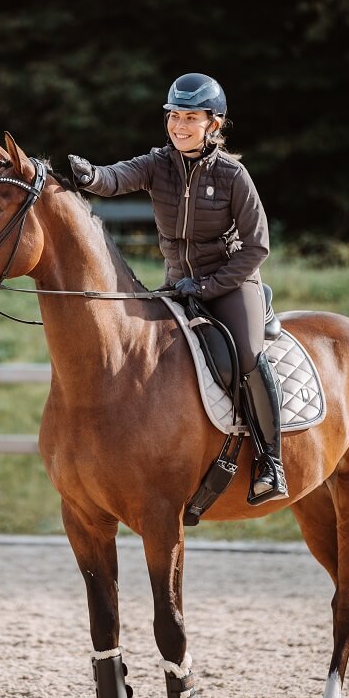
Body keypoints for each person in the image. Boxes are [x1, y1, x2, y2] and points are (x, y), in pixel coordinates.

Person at [68, 72, 288, 504]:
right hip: (176, 285)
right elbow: (116, 177)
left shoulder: (232, 175)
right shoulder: (157, 164)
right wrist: (90, 175)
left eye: (191, 117)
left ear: (214, 125)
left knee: (247, 357)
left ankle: (270, 462)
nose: (179, 125)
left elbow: (257, 245)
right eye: (174, 115)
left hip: (231, 283)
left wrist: (208, 285)